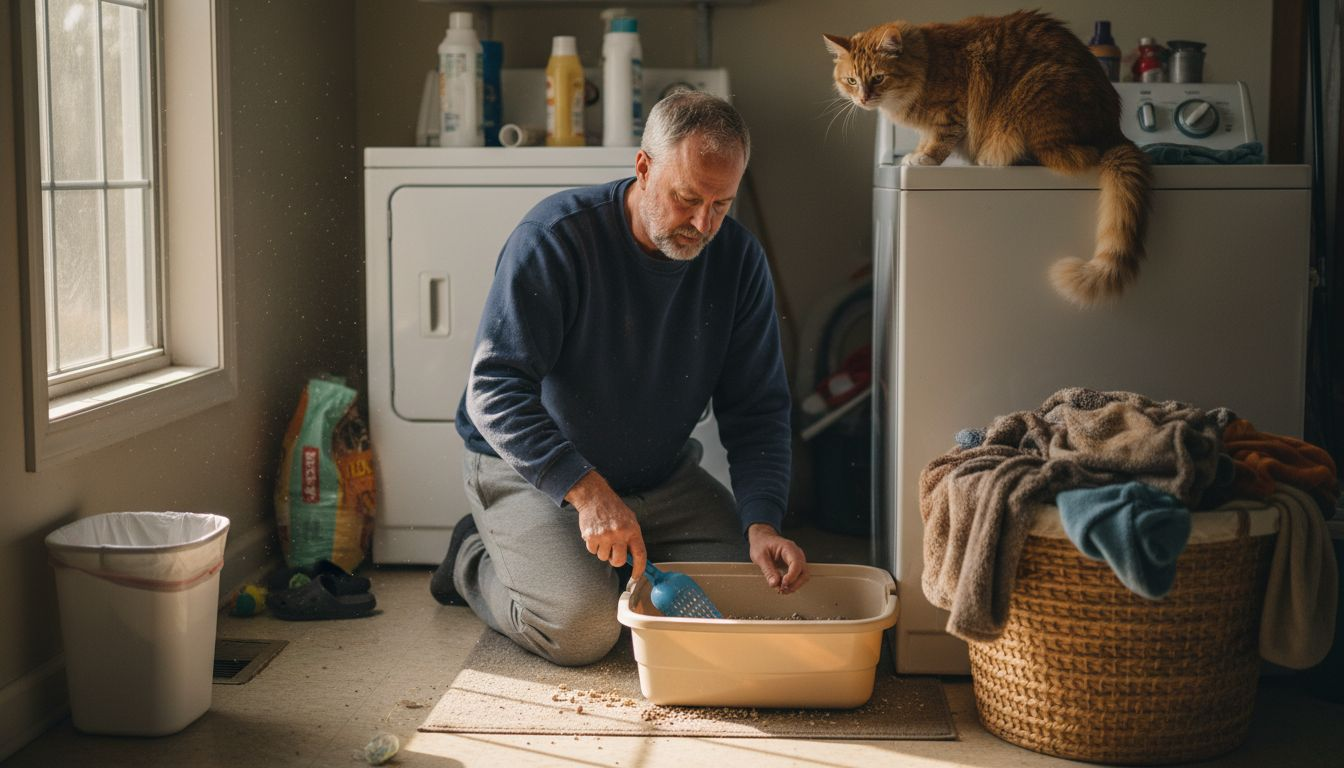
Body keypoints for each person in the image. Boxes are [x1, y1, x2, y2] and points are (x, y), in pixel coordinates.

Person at [430, 90, 809, 666]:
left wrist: (761, 520)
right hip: (538, 473)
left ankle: (585, 562)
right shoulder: (557, 237)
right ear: (643, 167)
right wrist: (588, 493)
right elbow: (493, 387)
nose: (703, 224)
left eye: (722, 204)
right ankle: (472, 557)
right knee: (581, 631)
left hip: (660, 478)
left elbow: (757, 409)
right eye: (687, 199)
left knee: (748, 597)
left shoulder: (739, 260)